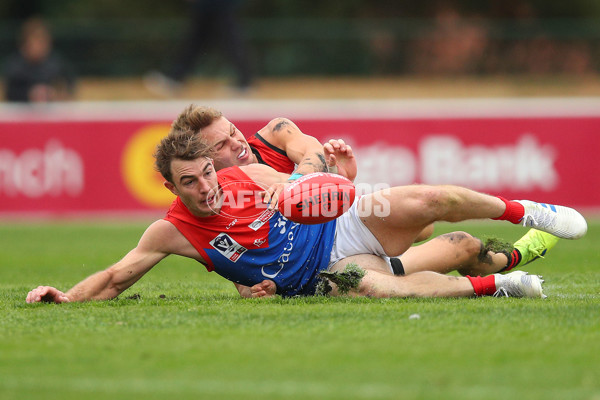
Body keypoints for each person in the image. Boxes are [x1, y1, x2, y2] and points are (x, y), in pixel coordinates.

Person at [26, 127, 587, 304]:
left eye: (207, 171)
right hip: (318, 279)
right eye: (189, 182)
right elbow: (117, 276)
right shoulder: (172, 231)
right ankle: (501, 284)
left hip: (336, 227)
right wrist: (67, 299)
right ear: (170, 186)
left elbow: (307, 182)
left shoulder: (244, 174)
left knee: (426, 203)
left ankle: (526, 211)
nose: (205, 187)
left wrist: (332, 179)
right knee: (394, 292)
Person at [169, 104, 563, 297]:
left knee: (424, 220)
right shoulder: (216, 191)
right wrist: (252, 290)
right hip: (326, 255)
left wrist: (319, 183)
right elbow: (243, 252)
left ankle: (516, 241)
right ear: (203, 161)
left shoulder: (274, 132)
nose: (237, 144)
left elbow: (311, 153)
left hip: (342, 210)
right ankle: (504, 270)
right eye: (220, 145)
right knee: (460, 246)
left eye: (234, 132)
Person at [144, 0, 252, 97]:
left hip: (217, 4)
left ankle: (245, 81)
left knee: (226, 39)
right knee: (198, 39)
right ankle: (176, 77)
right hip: (210, 4)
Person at [4, 17, 76, 102]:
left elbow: (69, 87)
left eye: (42, 42)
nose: (39, 47)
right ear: (25, 44)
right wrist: (29, 94)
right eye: (35, 42)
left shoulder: (57, 64)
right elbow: (9, 94)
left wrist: (57, 93)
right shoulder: (15, 66)